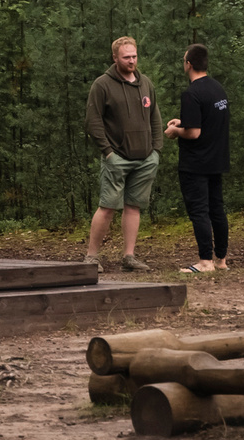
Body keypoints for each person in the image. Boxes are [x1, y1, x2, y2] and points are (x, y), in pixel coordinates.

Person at [82, 35, 157, 272]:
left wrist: (156, 150)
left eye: (134, 56)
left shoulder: (145, 83)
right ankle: (92, 256)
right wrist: (108, 153)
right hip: (117, 157)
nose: (131, 61)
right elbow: (93, 122)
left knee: (133, 206)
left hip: (145, 158)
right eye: (126, 57)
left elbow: (155, 116)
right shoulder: (102, 85)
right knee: (107, 206)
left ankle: (129, 256)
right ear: (115, 58)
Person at [164, 43, 229, 273]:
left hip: (196, 163)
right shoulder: (217, 89)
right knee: (217, 210)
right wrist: (181, 122)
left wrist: (175, 131)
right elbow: (206, 120)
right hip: (216, 159)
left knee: (199, 211)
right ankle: (221, 260)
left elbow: (194, 132)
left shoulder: (191, 93)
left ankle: (205, 261)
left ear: (189, 64)